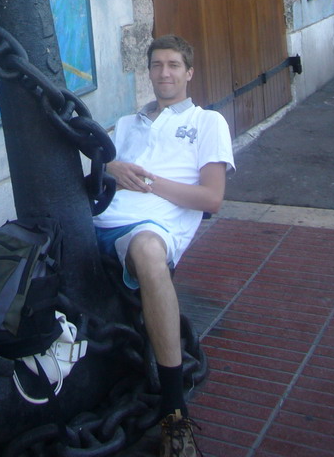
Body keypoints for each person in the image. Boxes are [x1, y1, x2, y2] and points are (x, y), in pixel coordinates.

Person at [93, 34, 235, 457]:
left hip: (149, 228)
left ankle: (175, 412)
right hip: (100, 219)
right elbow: (99, 179)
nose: (165, 73)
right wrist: (109, 166)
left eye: (174, 65)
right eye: (157, 65)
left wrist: (150, 182)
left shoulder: (208, 123)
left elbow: (212, 199)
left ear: (189, 73)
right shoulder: (126, 124)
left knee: (150, 255)